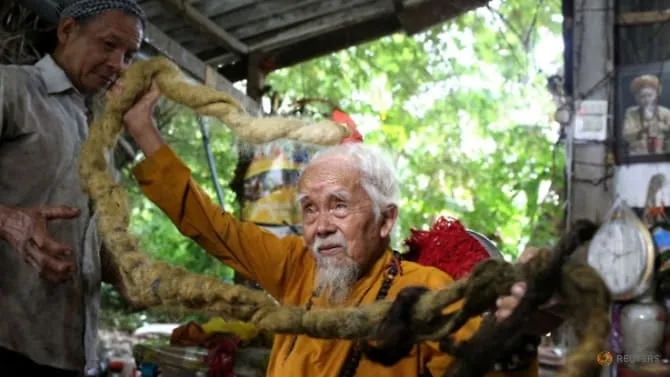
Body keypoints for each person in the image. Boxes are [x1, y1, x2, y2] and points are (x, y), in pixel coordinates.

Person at [116, 80, 562, 376]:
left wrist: (517, 330)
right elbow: (213, 228)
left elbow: (485, 367)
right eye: (309, 210)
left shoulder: (424, 292)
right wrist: (142, 129)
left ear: (386, 220)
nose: (321, 227)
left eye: (339, 207)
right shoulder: (296, 267)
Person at [0, 0, 146, 375]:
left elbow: (89, 231)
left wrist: (123, 273)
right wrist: (9, 220)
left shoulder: (97, 123)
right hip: (9, 337)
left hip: (69, 349)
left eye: (128, 54)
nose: (118, 64)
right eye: (108, 44)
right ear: (67, 31)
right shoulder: (13, 87)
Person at [622, 74, 670, 155]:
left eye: (650, 95)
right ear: (636, 98)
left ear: (656, 96)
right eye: (642, 96)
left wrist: (661, 126)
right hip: (637, 155)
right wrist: (645, 129)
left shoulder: (665, 112)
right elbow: (626, 135)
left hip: (662, 155)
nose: (647, 99)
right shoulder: (631, 112)